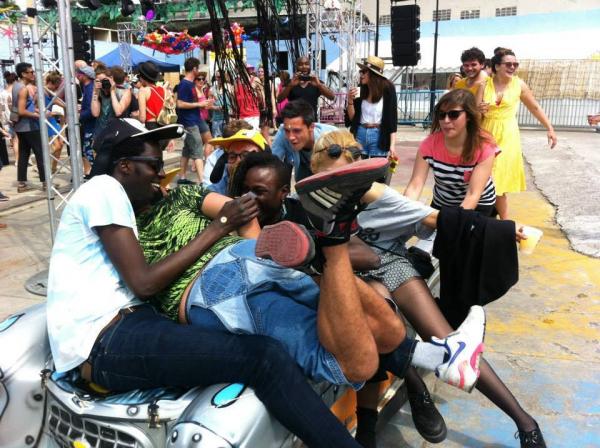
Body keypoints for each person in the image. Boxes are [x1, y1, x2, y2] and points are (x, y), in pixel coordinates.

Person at [45, 117, 365, 448]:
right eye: (153, 164)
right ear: (124, 166)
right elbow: (144, 283)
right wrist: (219, 227)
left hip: (131, 326)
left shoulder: (120, 200)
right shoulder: (103, 189)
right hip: (106, 342)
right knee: (263, 357)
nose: (160, 173)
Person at [307, 130, 546, 448]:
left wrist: (504, 229)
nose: (335, 186)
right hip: (345, 276)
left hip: (390, 264)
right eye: (326, 178)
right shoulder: (309, 201)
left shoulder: (381, 197)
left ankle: (525, 423)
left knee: (449, 340)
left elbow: (441, 220)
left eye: (343, 177)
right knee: (372, 322)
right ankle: (413, 386)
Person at [476, 48, 557, 219]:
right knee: (485, 178)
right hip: (486, 134)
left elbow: (534, 107)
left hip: (508, 136)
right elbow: (475, 115)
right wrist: (478, 110)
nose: (512, 67)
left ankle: (505, 222)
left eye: (515, 64)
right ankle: (492, 218)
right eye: (508, 64)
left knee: (498, 180)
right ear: (497, 66)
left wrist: (549, 128)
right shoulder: (484, 85)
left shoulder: (519, 85)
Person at [404, 89, 499, 216]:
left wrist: (452, 221)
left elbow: (472, 195)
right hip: (442, 202)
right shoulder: (429, 144)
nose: (446, 120)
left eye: (454, 114)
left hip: (479, 204)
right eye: (441, 115)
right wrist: (404, 212)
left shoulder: (484, 146)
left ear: (469, 116)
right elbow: (415, 185)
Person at [346, 55, 398, 159]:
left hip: (379, 135)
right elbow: (352, 119)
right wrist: (350, 101)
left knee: (377, 168)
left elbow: (392, 119)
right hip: (360, 133)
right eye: (361, 71)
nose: (361, 74)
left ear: (373, 74)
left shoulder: (388, 89)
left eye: (364, 72)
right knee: (359, 168)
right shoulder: (360, 89)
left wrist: (392, 145)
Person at [271, 99, 337, 181]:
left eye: (297, 131)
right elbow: (272, 165)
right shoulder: (282, 133)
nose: (291, 137)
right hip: (302, 180)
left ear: (311, 127)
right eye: (287, 131)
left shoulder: (332, 137)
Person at [176, 57, 214, 185]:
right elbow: (180, 104)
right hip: (189, 122)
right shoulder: (184, 84)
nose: (199, 71)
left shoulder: (190, 84)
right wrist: (199, 104)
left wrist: (203, 104)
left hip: (194, 120)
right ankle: (202, 182)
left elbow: (192, 102)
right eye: (198, 68)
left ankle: (182, 178)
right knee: (198, 151)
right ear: (194, 69)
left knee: (187, 151)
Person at [13, 62, 47, 193]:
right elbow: (21, 110)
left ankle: (22, 183)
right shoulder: (23, 89)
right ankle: (46, 183)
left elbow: (19, 108)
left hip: (20, 126)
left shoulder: (16, 86)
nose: (33, 74)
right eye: (31, 72)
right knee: (40, 153)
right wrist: (36, 115)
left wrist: (34, 111)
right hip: (29, 126)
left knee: (23, 154)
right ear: (23, 74)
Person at [206, 126, 264, 195]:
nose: (238, 161)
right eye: (232, 157)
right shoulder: (219, 187)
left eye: (246, 155)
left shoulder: (272, 187)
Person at [91, 67, 132, 139]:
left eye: (104, 80)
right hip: (100, 135)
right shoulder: (98, 93)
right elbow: (95, 113)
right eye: (99, 81)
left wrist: (112, 90)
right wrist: (95, 92)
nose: (103, 83)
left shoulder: (124, 92)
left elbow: (118, 112)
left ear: (111, 79)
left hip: (117, 135)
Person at [75, 65, 96, 176]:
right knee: (87, 151)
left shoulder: (90, 88)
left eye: (79, 73)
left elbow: (92, 110)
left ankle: (96, 174)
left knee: (89, 151)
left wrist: (80, 115)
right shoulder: (87, 87)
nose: (77, 75)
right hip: (89, 125)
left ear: (85, 76)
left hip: (91, 126)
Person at [44, 71, 66, 174]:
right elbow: (35, 108)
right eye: (56, 86)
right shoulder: (41, 92)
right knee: (57, 146)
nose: (57, 89)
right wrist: (51, 113)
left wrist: (67, 106)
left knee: (60, 144)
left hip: (52, 120)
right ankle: (44, 164)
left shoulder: (50, 93)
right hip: (46, 121)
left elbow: (58, 102)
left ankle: (53, 168)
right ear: (50, 82)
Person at [137, 61, 168, 130]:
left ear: (143, 78)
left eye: (140, 76)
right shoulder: (164, 90)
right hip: (165, 126)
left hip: (151, 127)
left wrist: (135, 116)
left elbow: (142, 118)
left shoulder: (143, 91)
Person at [0, 71, 18, 166]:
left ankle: (17, 159)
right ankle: (19, 160)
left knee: (14, 140)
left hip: (6, 119)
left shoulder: (2, 93)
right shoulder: (15, 92)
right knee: (17, 140)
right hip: (16, 118)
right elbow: (13, 106)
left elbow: (1, 108)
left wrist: (2, 120)